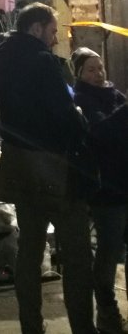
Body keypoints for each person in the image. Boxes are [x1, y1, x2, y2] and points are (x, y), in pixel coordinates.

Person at [0, 2, 97, 334]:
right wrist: (81, 121)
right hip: (55, 170)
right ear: (36, 28)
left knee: (29, 252)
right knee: (77, 256)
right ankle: (83, 327)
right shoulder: (43, 61)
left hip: (20, 168)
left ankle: (31, 326)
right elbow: (65, 115)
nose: (54, 39)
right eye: (51, 31)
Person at [72, 48, 128, 334]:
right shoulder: (81, 101)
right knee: (109, 249)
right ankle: (107, 310)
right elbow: (101, 133)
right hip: (106, 190)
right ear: (80, 74)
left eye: (101, 68)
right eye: (91, 70)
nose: (98, 74)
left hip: (126, 183)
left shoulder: (116, 96)